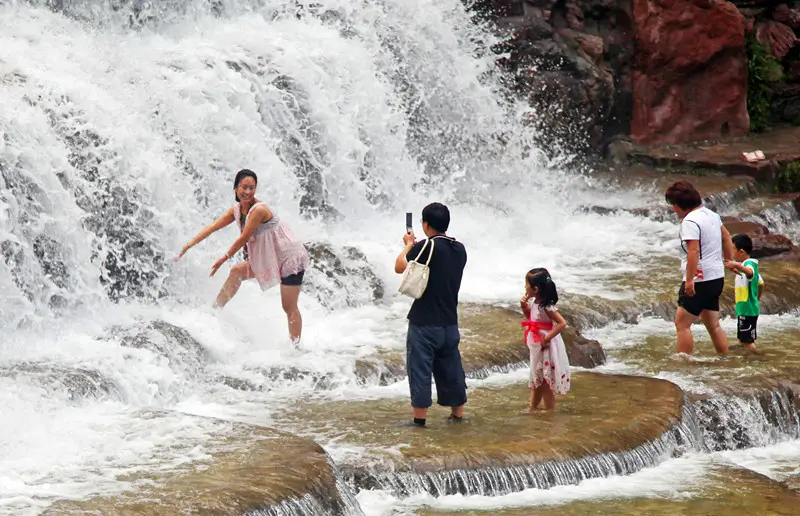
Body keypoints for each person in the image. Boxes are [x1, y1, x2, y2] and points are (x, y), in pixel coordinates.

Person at [176, 169, 310, 344]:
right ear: (236, 188)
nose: (247, 192)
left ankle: (296, 348)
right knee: (237, 272)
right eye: (244, 187)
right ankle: (213, 312)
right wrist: (188, 245)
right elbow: (213, 227)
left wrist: (223, 258)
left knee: (288, 306)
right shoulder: (237, 210)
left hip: (289, 257)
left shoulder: (259, 210)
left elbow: (244, 237)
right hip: (269, 256)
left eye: (252, 188)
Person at [394, 202, 467, 427]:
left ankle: (419, 421)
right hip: (450, 323)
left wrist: (408, 245)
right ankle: (457, 416)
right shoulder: (459, 248)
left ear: (426, 224)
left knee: (420, 371)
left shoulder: (428, 246)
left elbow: (399, 267)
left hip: (424, 323)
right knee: (452, 369)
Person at [665, 180, 734, 355]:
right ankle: (724, 359)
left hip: (699, 280)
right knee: (713, 325)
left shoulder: (690, 221)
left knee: (682, 325)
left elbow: (693, 251)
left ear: (680, 205)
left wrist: (689, 280)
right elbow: (726, 237)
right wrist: (728, 260)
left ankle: (684, 365)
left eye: (673, 205)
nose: (673, 209)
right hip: (716, 277)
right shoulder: (711, 215)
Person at [520, 268, 570, 411]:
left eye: (526, 285)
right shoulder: (536, 302)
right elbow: (532, 319)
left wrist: (547, 337)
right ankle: (532, 408)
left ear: (535, 289)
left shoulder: (546, 306)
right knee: (538, 380)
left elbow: (562, 323)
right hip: (537, 346)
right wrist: (524, 307)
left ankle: (550, 412)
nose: (525, 287)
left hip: (545, 347)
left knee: (545, 383)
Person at [725, 234, 765, 350]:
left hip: (747, 309)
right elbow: (761, 284)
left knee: (748, 341)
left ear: (741, 251)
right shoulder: (746, 265)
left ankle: (758, 357)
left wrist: (736, 264)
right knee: (743, 338)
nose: (731, 252)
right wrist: (756, 298)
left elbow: (750, 272)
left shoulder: (749, 264)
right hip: (745, 308)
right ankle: (746, 357)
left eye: (733, 249)